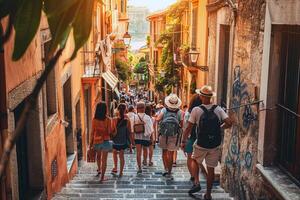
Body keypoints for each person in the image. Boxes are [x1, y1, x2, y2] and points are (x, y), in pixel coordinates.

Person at [181, 85, 232, 199]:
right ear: (210, 97)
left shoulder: (196, 110)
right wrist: (220, 128)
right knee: (211, 169)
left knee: (194, 159)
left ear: (201, 96)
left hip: (201, 143)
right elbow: (229, 122)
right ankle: (208, 194)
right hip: (214, 144)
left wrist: (183, 140)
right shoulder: (218, 109)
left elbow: (189, 127)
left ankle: (197, 183)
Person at [156, 94, 183, 178]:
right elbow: (181, 124)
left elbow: (158, 119)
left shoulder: (164, 110)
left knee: (164, 152)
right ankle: (170, 171)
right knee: (171, 153)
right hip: (174, 135)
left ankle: (166, 169)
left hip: (164, 134)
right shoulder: (180, 112)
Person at [89, 102, 113, 182]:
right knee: (104, 160)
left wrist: (90, 144)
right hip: (105, 141)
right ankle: (102, 177)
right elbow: (109, 131)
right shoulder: (108, 120)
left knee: (98, 156)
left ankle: (99, 169)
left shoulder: (94, 120)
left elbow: (92, 133)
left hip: (97, 140)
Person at [182, 94, 202, 181]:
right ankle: (196, 175)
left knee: (190, 158)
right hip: (200, 137)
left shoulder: (188, 113)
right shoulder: (203, 111)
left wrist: (183, 140)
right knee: (197, 159)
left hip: (190, 138)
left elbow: (186, 127)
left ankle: (193, 176)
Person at [111, 103, 133, 177]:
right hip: (123, 141)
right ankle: (121, 172)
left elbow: (112, 130)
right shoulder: (127, 120)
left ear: (117, 110)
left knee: (114, 153)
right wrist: (131, 143)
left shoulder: (114, 119)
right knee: (121, 156)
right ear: (125, 110)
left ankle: (115, 167)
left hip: (115, 140)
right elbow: (129, 131)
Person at [131, 102, 154, 174]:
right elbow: (151, 129)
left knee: (138, 152)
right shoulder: (147, 117)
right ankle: (144, 160)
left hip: (137, 137)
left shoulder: (133, 117)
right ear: (144, 109)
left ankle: (139, 167)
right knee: (145, 149)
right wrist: (152, 138)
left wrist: (132, 139)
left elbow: (131, 130)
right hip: (146, 137)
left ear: (137, 109)